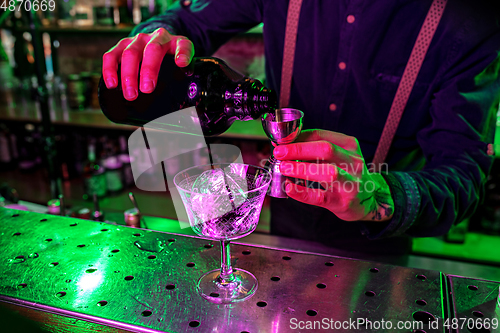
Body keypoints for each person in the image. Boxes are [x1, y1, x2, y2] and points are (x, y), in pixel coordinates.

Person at [102, 0, 500, 260]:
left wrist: (379, 194)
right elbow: (185, 19)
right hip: (283, 232)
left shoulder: (470, 22)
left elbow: (465, 175)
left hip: (377, 251)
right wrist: (151, 42)